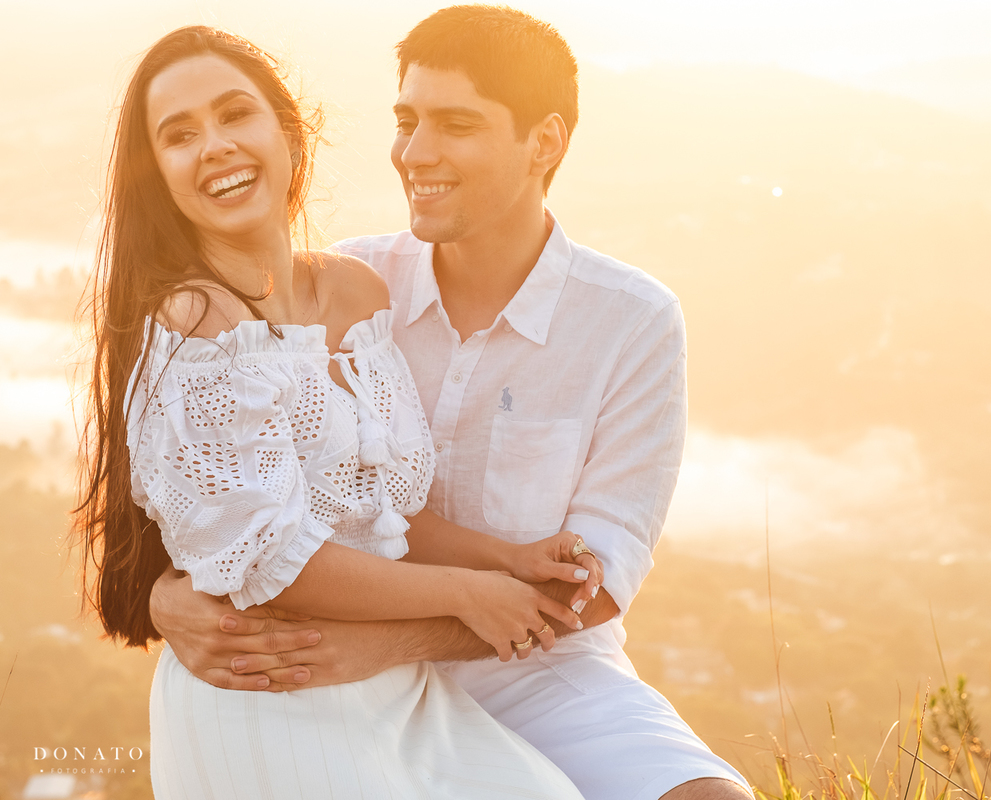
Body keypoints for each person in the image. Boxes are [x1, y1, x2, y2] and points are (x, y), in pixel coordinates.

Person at [149, 7, 753, 799]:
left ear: (544, 143)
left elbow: (594, 586)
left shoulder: (631, 321)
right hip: (337, 650)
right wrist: (162, 599)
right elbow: (215, 490)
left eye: (456, 124)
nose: (414, 152)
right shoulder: (342, 288)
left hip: (531, 663)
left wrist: (397, 642)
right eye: (407, 121)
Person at [74, 24, 599, 799]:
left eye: (234, 114)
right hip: (274, 690)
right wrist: (467, 593)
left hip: (397, 687)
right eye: (179, 135)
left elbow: (377, 512)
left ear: (290, 133)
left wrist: (504, 558)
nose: (214, 145)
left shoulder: (356, 292)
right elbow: (276, 562)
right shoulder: (196, 326)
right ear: (159, 175)